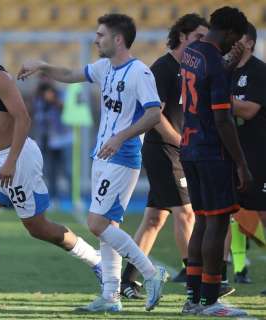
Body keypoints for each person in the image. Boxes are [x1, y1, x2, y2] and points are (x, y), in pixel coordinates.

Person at [0, 20, 102, 311]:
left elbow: (24, 118)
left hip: (19, 156)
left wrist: (10, 162)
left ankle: (96, 261)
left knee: (37, 228)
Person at [19, 13, 168, 313]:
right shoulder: (104, 68)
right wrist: (43, 67)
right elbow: (71, 74)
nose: (95, 39)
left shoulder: (140, 72)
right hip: (103, 155)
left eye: (100, 35)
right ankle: (110, 297)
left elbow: (154, 113)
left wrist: (121, 137)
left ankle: (151, 272)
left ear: (118, 39)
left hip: (122, 157)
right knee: (106, 225)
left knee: (96, 223)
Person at [119, 13, 209, 299]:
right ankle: (200, 280)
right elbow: (154, 115)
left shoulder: (194, 67)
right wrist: (183, 144)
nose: (203, 43)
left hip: (177, 149)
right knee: (186, 213)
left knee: (154, 219)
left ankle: (126, 281)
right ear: (182, 36)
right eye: (198, 37)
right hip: (163, 149)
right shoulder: (163, 68)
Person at [178, 6, 252, 317]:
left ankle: (194, 299)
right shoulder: (216, 64)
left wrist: (228, 66)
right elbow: (222, 119)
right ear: (232, 34)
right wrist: (241, 163)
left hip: (189, 147)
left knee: (202, 220)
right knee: (217, 223)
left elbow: (206, 80)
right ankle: (210, 302)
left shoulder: (191, 52)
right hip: (212, 151)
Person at [231, 22, 266, 292]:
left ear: (251, 42)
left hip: (259, 154)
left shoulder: (259, 71)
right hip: (230, 153)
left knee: (262, 215)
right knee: (226, 215)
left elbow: (251, 109)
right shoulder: (225, 70)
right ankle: (224, 275)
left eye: (238, 36)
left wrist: (218, 100)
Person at [32, 81, 73, 208]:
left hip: (63, 139)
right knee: (51, 172)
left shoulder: (61, 94)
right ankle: (54, 199)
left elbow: (66, 110)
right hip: (48, 141)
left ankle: (74, 198)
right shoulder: (38, 100)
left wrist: (53, 100)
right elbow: (36, 117)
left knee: (68, 170)